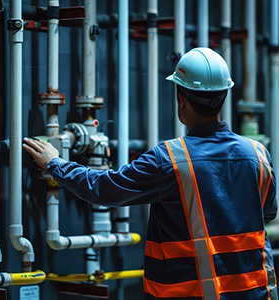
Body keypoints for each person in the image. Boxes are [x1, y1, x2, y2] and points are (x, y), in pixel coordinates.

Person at [23, 47, 278, 300]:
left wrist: (55, 163)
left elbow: (102, 189)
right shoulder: (258, 154)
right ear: (224, 95)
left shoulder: (169, 159)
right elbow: (267, 212)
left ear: (181, 98)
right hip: (257, 292)